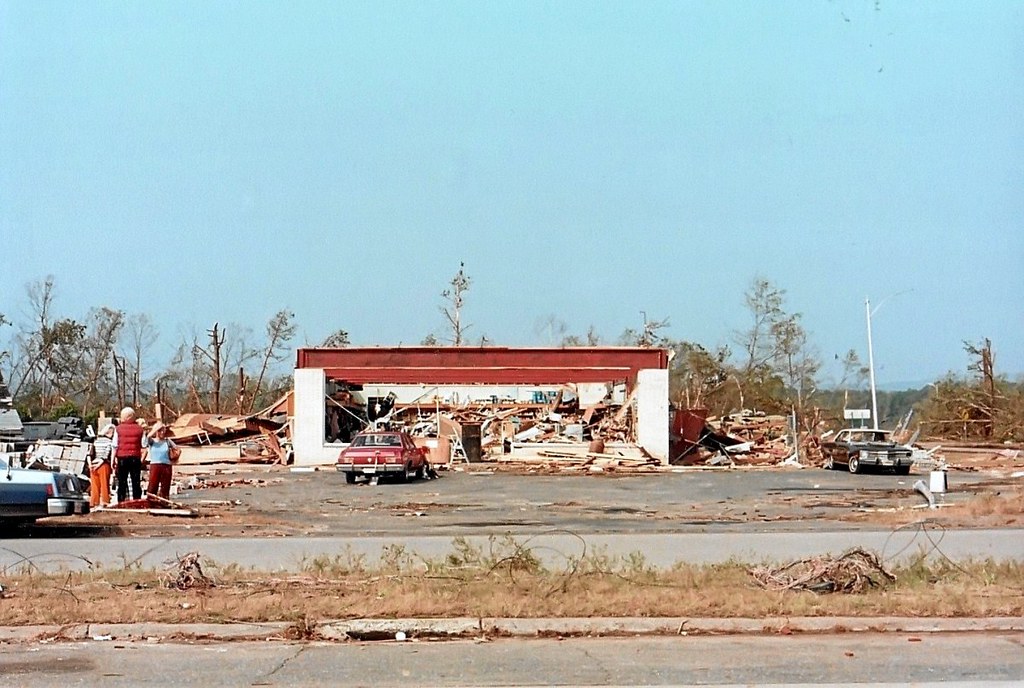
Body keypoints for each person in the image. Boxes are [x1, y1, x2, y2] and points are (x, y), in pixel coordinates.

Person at [112, 407, 145, 503]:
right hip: (135, 457)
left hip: (122, 458)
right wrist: (142, 459)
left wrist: (113, 459)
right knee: (136, 482)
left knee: (122, 482)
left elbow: (115, 445)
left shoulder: (118, 429)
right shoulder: (140, 429)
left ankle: (121, 502)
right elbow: (144, 446)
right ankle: (137, 501)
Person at [143, 422, 177, 500]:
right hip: (155, 465)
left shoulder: (167, 441)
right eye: (159, 431)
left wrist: (174, 457)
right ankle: (151, 501)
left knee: (165, 486)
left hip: (166, 465)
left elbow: (177, 449)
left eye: (163, 431)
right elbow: (146, 440)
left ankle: (164, 501)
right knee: (153, 485)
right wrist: (154, 429)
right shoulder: (152, 441)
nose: (162, 433)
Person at [89, 423, 115, 508]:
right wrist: (100, 463)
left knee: (94, 485)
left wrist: (90, 465)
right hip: (103, 465)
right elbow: (106, 455)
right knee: (104, 484)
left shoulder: (96, 441)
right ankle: (105, 501)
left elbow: (90, 453)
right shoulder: (109, 442)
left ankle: (94, 502)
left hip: (93, 464)